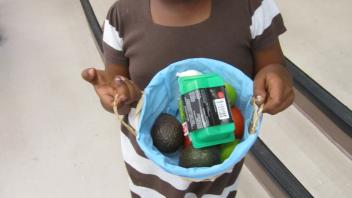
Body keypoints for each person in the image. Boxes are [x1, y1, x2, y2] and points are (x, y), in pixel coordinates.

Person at [81, 0, 294, 197]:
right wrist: (117, 96)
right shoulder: (121, 17)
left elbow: (272, 65)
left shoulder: (252, 6)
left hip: (220, 168)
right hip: (149, 170)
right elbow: (117, 87)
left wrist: (277, 74)